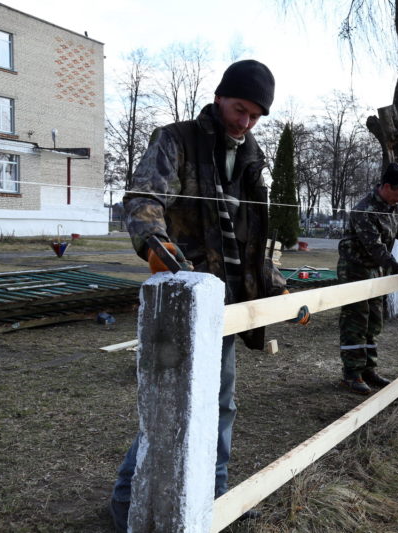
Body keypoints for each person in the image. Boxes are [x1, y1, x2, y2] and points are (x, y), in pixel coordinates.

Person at [109, 59, 286, 531]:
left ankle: (213, 496)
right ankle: (127, 502)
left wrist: (273, 283)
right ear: (219, 97)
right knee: (172, 404)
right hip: (183, 299)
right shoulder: (177, 139)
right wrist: (158, 248)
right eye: (239, 109)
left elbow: (249, 237)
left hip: (225, 305)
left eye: (255, 116)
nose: (244, 122)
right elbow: (143, 199)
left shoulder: (252, 159)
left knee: (220, 403)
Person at [337, 163, 398, 394]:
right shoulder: (363, 210)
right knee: (356, 321)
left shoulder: (394, 208)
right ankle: (351, 374)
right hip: (354, 270)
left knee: (374, 320)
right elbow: (376, 248)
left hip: (376, 271)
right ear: (386, 187)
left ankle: (368, 370)